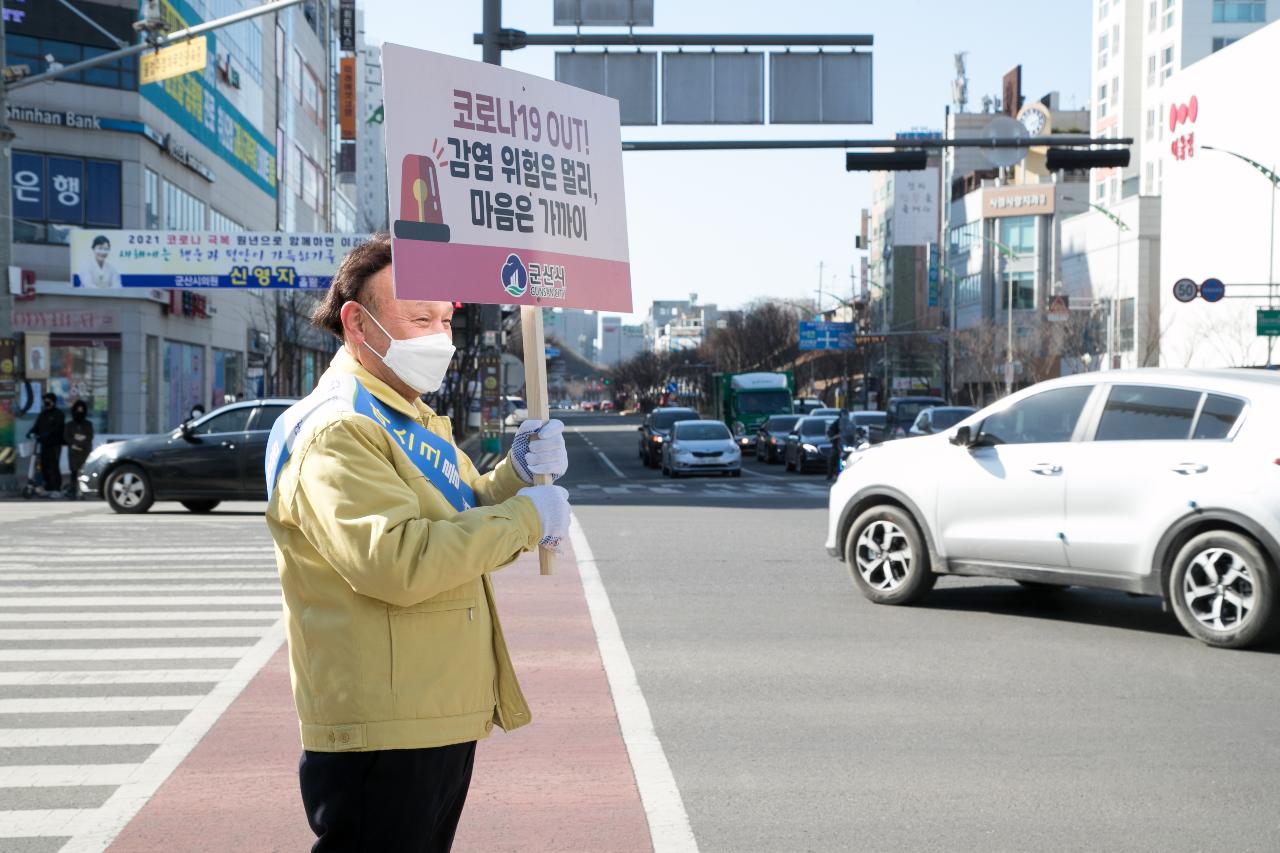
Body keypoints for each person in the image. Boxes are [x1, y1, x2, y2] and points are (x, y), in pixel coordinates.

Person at [264, 233, 570, 853]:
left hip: (427, 709)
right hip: (384, 724)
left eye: (443, 320)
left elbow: (460, 512)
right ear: (358, 321)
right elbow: (397, 561)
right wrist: (525, 520)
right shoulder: (340, 429)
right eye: (417, 318)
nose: (438, 337)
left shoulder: (404, 414)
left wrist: (515, 474)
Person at [28, 393, 65, 493]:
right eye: (45, 401)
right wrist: (31, 432)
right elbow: (37, 427)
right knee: (44, 465)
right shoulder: (43, 414)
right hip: (43, 444)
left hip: (55, 444)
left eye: (48, 401)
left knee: (53, 465)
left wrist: (47, 434)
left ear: (53, 402)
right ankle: (48, 486)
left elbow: (58, 428)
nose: (46, 403)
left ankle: (56, 487)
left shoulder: (58, 414)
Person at [64, 400, 95, 499]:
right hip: (73, 452)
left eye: (81, 410)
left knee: (84, 472)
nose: (79, 413)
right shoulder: (69, 425)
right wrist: (74, 442)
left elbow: (89, 437)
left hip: (85, 451)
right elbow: (66, 437)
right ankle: (73, 490)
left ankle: (84, 492)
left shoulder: (88, 424)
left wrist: (79, 442)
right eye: (78, 410)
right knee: (73, 472)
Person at [825, 412, 844, 482]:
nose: (844, 417)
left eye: (846, 415)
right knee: (831, 459)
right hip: (837, 445)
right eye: (843, 415)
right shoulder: (836, 423)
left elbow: (854, 430)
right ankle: (830, 475)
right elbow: (830, 431)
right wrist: (834, 435)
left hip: (847, 445)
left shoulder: (849, 423)